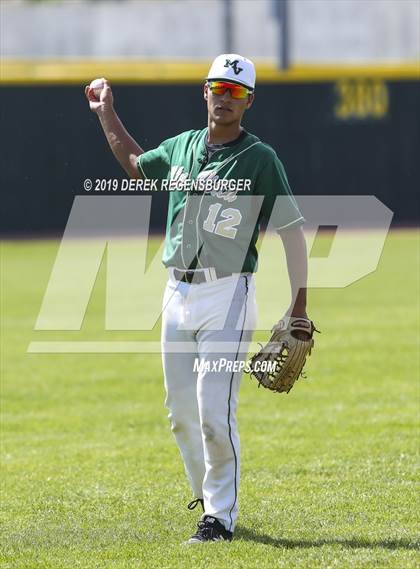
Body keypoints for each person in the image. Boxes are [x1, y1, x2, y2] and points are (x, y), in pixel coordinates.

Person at [86, 54, 310, 543]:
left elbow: (292, 231)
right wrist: (106, 112)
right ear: (204, 92)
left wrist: (299, 305)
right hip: (177, 293)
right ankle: (207, 502)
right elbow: (135, 165)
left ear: (248, 101)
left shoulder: (259, 159)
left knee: (214, 412)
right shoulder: (183, 147)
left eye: (235, 92)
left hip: (228, 293)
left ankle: (219, 519)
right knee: (181, 413)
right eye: (218, 88)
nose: (224, 98)